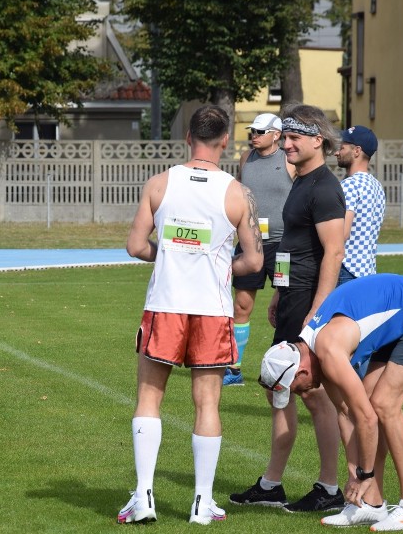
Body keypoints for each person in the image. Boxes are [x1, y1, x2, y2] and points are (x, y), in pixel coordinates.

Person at [118, 105, 264, 525]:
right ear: (225, 141)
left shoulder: (160, 183)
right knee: (208, 402)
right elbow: (254, 261)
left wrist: (169, 253)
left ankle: (144, 496)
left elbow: (135, 246)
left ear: (187, 138)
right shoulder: (237, 192)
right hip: (212, 309)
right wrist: (217, 264)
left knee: (149, 397)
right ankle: (202, 501)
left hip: (165, 304)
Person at [258, 273, 403, 531]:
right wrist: (356, 476)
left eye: (294, 389)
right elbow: (346, 414)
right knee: (366, 403)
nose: (299, 394)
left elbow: (366, 418)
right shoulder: (314, 352)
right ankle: (372, 504)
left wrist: (364, 474)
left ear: (301, 372)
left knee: (384, 405)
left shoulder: (329, 351)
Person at [230, 103, 346, 512]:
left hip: (311, 306)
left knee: (313, 395)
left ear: (318, 140)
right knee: (278, 388)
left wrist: (315, 318)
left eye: (295, 137)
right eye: (286, 136)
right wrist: (280, 291)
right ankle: (271, 484)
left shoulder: (325, 187)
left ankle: (330, 488)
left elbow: (333, 255)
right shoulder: (301, 180)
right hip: (292, 297)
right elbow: (294, 247)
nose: (287, 144)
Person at [224, 113, 295, 386]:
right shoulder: (246, 159)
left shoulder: (290, 160)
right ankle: (233, 370)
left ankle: (286, 369)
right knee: (241, 305)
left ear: (276, 134)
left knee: (286, 306)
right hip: (249, 244)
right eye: (251, 130)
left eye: (260, 131)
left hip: (283, 247)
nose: (253, 135)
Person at [335, 126, 385, 285]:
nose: (337, 152)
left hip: (346, 268)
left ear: (356, 151)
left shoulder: (349, 185)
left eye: (342, 148)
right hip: (367, 270)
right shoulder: (377, 186)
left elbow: (342, 233)